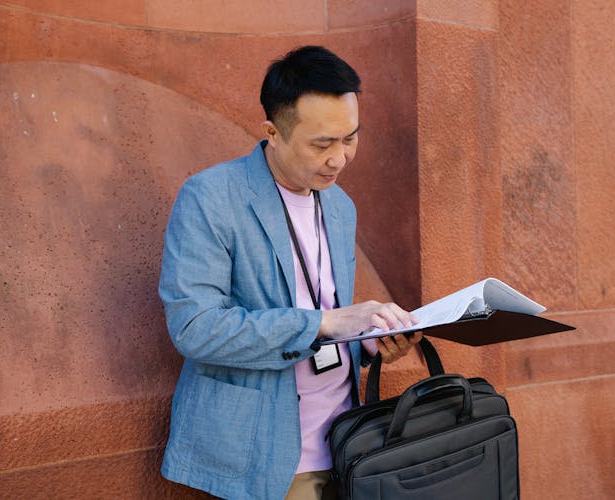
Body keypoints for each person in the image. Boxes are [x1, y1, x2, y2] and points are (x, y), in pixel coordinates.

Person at [158, 45, 423, 500]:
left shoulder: (340, 207)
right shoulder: (210, 197)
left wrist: (372, 344)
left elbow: (331, 320)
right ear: (272, 132)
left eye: (351, 138)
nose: (339, 159)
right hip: (261, 457)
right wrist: (322, 322)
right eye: (322, 144)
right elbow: (195, 327)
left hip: (345, 445)